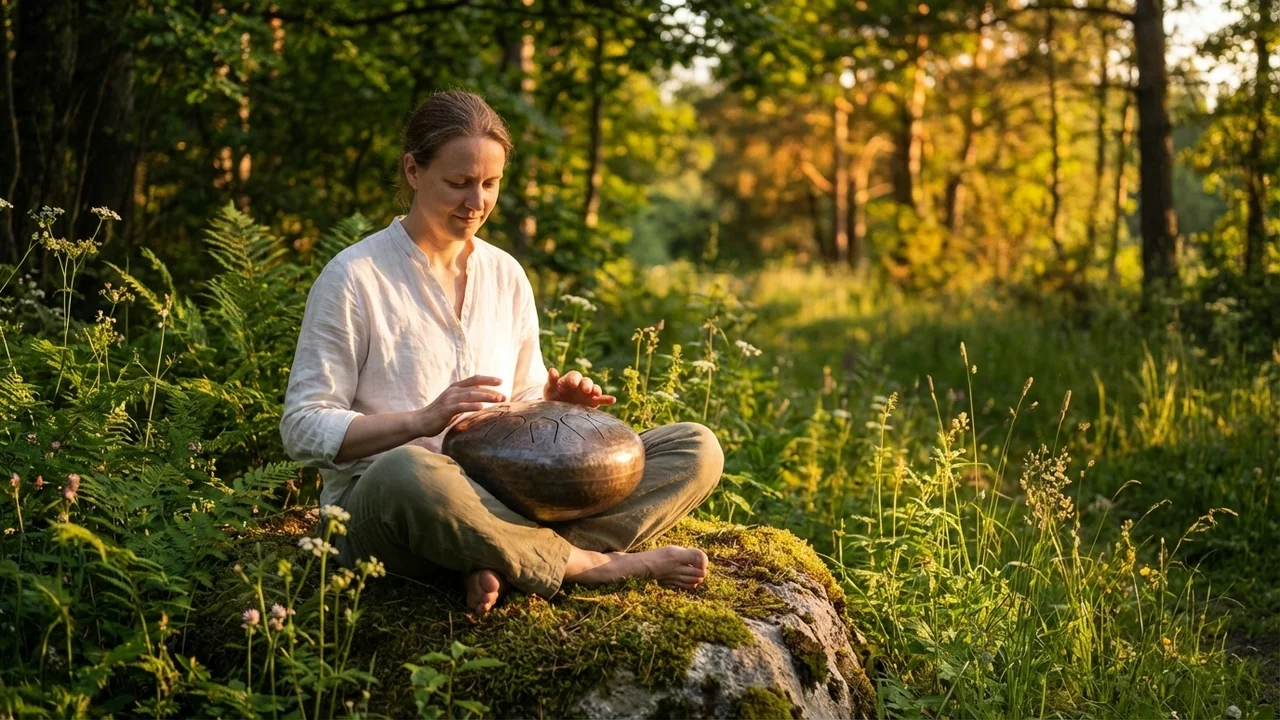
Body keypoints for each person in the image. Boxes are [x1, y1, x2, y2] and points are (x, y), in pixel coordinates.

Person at [280, 89, 724, 616]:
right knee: (410, 468)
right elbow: (303, 427)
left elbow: (519, 402)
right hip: (395, 506)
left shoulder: (506, 273)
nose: (476, 202)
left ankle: (503, 557)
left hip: (509, 495)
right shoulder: (355, 278)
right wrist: (422, 420)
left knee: (694, 448)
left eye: (490, 184)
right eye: (458, 182)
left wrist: (554, 407)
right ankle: (587, 564)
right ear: (412, 171)